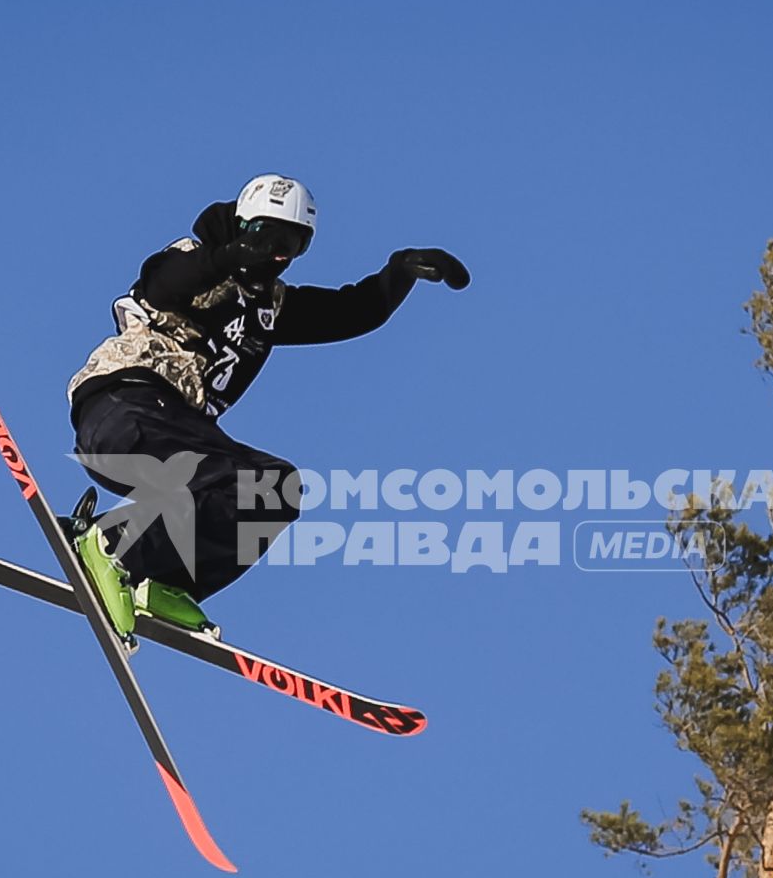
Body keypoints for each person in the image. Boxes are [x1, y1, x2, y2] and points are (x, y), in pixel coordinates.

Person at [66, 173, 470, 636]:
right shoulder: (194, 260)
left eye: (294, 245)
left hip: (178, 429)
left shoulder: (270, 307)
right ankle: (111, 544)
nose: (279, 255)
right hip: (125, 405)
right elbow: (164, 287)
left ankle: (157, 582)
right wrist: (228, 256)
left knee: (275, 488)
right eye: (270, 237)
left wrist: (398, 272)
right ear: (243, 227)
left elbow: (352, 311)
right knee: (225, 475)